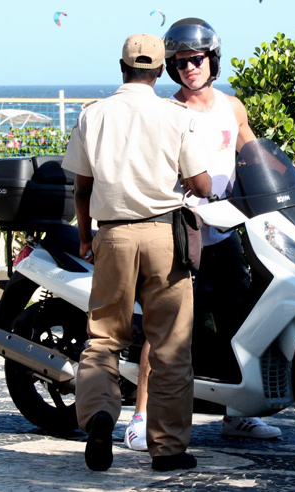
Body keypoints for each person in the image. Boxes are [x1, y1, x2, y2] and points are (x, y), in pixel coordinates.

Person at [124, 18, 282, 453]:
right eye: (181, 62)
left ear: (212, 59)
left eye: (197, 59)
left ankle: (239, 415)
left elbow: (254, 157)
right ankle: (141, 417)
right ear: (171, 68)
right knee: (168, 330)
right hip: (180, 235)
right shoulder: (167, 112)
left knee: (238, 323)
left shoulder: (232, 108)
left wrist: (286, 183)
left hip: (226, 235)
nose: (190, 68)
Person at [62, 33, 212, 472]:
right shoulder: (175, 115)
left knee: (103, 338)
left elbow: (82, 187)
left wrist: (87, 238)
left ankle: (99, 418)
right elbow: (202, 184)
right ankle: (167, 449)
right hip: (165, 239)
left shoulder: (94, 116)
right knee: (170, 346)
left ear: (121, 67)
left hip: (113, 237)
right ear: (162, 69)